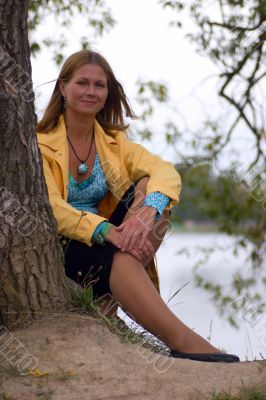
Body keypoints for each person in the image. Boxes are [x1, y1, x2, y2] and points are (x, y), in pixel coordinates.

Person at [37, 50, 239, 363]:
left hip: (117, 239)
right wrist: (104, 230)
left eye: (100, 85)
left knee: (148, 186)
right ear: (63, 88)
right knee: (120, 253)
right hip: (66, 244)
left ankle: (106, 302)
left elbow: (164, 170)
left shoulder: (114, 141)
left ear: (108, 92)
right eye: (83, 83)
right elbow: (50, 207)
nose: (92, 91)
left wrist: (147, 213)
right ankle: (182, 340)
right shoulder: (39, 143)